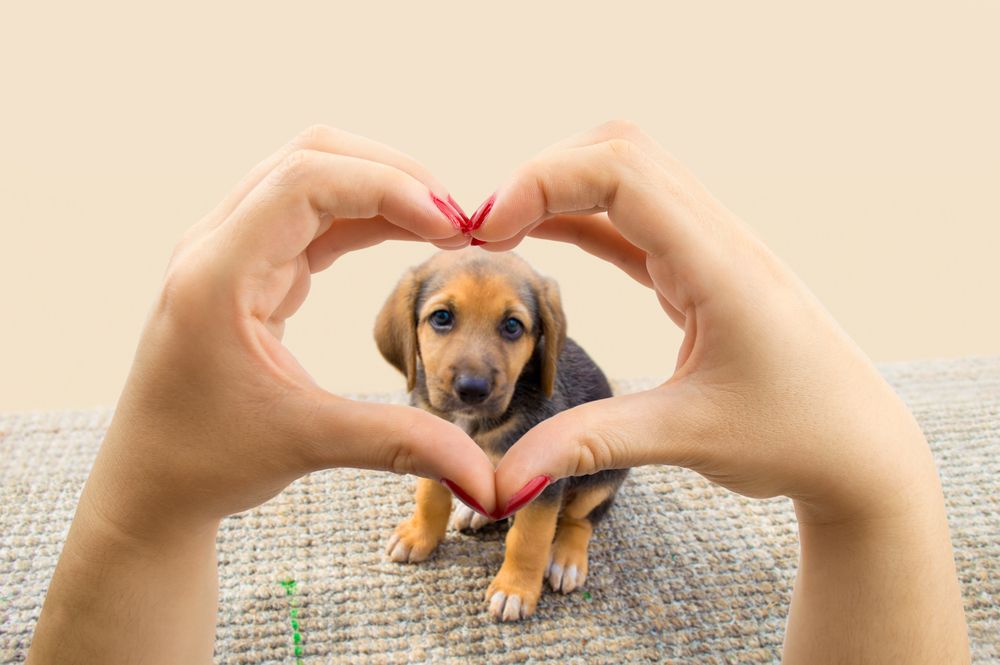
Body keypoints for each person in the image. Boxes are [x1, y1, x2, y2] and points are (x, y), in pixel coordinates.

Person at [26, 122, 970, 664]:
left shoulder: (541, 394)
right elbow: (440, 423)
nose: (471, 365)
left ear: (543, 338)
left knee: (567, 485)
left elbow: (548, 471)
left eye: (507, 330)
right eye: (444, 323)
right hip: (465, 472)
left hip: (567, 491)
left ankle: (564, 540)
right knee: (449, 464)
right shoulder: (432, 381)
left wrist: (540, 545)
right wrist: (431, 513)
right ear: (409, 332)